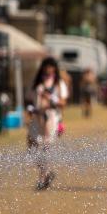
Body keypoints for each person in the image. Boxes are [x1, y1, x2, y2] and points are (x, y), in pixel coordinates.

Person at [26, 57, 68, 190]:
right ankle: (47, 172)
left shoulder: (58, 83)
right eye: (46, 67)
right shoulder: (36, 82)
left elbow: (63, 103)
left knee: (45, 146)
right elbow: (29, 98)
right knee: (31, 146)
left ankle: (42, 178)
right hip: (37, 116)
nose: (48, 70)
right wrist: (29, 108)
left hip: (50, 116)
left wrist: (51, 98)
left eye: (51, 67)